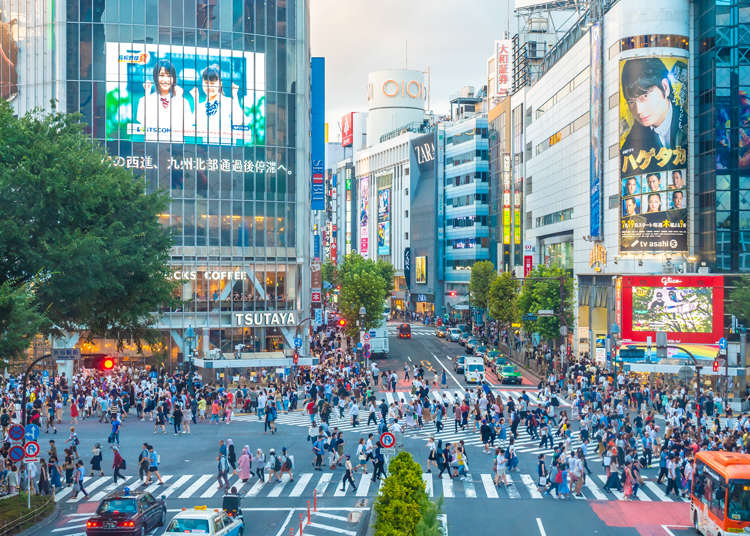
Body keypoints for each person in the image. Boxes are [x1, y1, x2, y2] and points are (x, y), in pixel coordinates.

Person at [621, 56, 687, 156]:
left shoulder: (687, 122)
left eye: (645, 96)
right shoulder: (634, 138)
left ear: (665, 87)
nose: (639, 110)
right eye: (631, 102)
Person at [135, 59, 190, 142]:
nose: (165, 79)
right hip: (153, 147)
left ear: (174, 78)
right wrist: (147, 95)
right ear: (155, 77)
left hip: (176, 149)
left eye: (168, 76)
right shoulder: (145, 100)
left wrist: (178, 98)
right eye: (162, 75)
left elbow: (187, 125)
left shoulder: (182, 101)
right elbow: (142, 120)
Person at [189, 65, 246, 144]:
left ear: (220, 84)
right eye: (206, 83)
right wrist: (196, 101)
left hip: (227, 150)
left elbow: (239, 121)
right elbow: (193, 127)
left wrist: (235, 96)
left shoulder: (228, 102)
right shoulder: (201, 106)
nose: (209, 87)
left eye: (212, 83)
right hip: (206, 151)